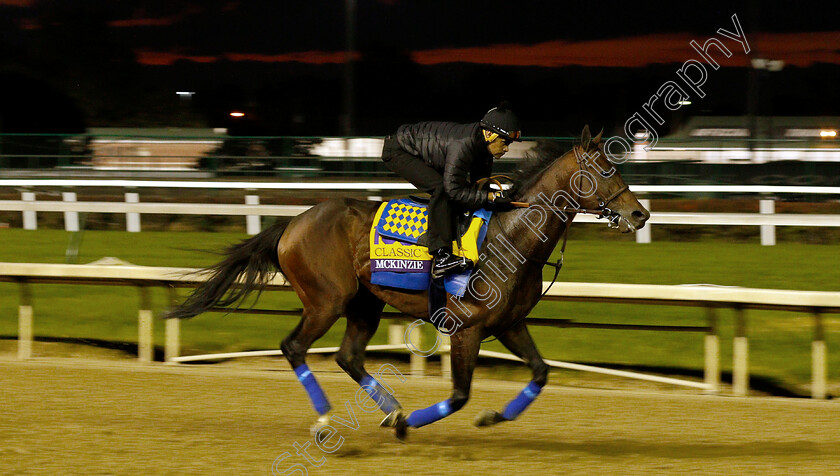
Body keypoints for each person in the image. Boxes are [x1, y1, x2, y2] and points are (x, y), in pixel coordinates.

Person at [381, 104, 522, 279]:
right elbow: (453, 190)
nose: (507, 148)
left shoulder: (483, 149)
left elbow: (480, 187)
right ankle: (441, 256)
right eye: (505, 142)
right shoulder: (464, 145)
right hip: (399, 150)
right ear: (489, 134)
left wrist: (499, 197)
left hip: (426, 151)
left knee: (462, 190)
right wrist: (489, 197)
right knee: (442, 189)